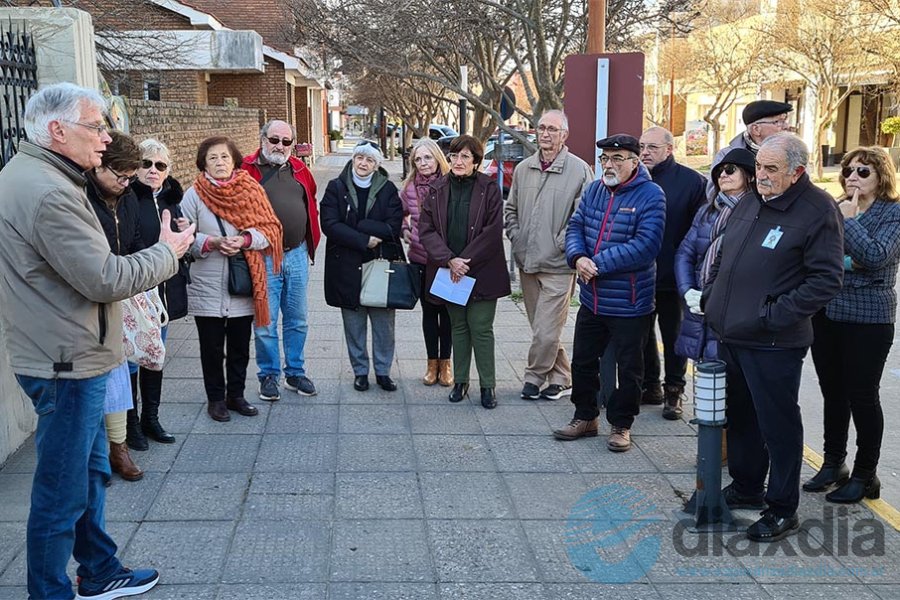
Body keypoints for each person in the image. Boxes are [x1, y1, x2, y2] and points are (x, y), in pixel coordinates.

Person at [0, 82, 195, 600]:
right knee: (61, 491)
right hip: (66, 359)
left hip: (71, 352)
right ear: (58, 130)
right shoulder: (46, 191)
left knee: (87, 472)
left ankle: (99, 569)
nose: (107, 138)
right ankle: (50, 591)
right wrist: (168, 250)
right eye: (97, 126)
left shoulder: (48, 176)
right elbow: (105, 277)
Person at [702, 133, 843, 542]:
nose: (759, 176)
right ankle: (747, 486)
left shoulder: (817, 209)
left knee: (777, 424)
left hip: (773, 340)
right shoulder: (751, 200)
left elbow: (826, 280)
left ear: (797, 171)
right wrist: (713, 296)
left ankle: (783, 507)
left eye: (770, 170)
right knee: (742, 417)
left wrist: (771, 316)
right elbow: (726, 254)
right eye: (758, 167)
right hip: (732, 333)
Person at [552, 134, 665, 451]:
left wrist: (596, 263)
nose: (609, 165)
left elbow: (646, 246)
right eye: (605, 159)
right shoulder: (594, 190)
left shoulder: (651, 195)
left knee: (630, 369)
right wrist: (578, 257)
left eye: (617, 158)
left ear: (634, 161)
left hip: (630, 302)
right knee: (583, 363)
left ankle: (621, 425)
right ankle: (585, 417)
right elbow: (575, 227)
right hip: (593, 298)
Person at [804, 146, 900, 503]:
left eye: (863, 172)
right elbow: (814, 254)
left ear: (881, 177)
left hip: (869, 318)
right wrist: (848, 261)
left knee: (862, 395)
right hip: (827, 314)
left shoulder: (892, 212)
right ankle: (833, 463)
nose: (853, 178)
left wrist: (848, 222)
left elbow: (876, 257)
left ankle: (865, 473)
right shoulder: (834, 204)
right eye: (848, 171)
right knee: (833, 392)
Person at [180, 136, 283, 422]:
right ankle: (216, 399)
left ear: (234, 160)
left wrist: (245, 239)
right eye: (213, 158)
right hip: (207, 283)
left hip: (243, 281)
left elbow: (270, 229)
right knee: (211, 347)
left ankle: (235, 395)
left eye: (224, 157)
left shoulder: (251, 189)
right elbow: (184, 237)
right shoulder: (193, 195)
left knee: (239, 344)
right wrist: (211, 242)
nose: (219, 162)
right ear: (204, 163)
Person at [504, 110, 593, 401]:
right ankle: (562, 376)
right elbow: (511, 209)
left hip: (558, 264)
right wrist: (516, 238)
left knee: (545, 330)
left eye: (553, 129)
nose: (545, 134)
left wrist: (562, 243)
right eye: (541, 128)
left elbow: (583, 216)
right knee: (544, 328)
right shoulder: (524, 168)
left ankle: (533, 377)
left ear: (564, 135)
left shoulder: (579, 170)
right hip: (527, 261)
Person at [419, 135, 511, 409]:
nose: (458, 161)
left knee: (481, 328)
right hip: (449, 271)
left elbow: (493, 231)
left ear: (476, 162)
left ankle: (487, 386)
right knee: (458, 327)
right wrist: (449, 260)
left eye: (465, 157)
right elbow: (426, 229)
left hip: (481, 269)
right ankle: (460, 381)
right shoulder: (437, 188)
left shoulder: (489, 188)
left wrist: (464, 261)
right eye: (454, 156)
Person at [241, 120, 320, 401]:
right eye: (274, 140)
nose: (280, 146)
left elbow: (310, 200)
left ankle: (295, 373)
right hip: (263, 257)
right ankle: (269, 376)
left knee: (297, 319)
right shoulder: (246, 170)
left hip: (296, 253)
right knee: (266, 321)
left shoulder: (300, 169)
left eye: (286, 142)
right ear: (262, 139)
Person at [85, 130, 147, 483]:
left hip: (124, 292)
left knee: (120, 375)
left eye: (129, 177)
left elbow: (136, 239)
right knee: (96, 380)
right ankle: (98, 455)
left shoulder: (129, 197)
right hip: (92, 297)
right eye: (119, 176)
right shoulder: (82, 198)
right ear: (99, 167)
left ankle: (118, 447)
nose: (124, 183)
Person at [320, 141, 404, 392]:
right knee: (354, 323)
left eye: (369, 160)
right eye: (359, 158)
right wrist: (363, 238)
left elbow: (393, 227)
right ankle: (360, 371)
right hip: (346, 265)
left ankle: (382, 371)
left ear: (376, 164)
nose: (363, 163)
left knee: (383, 324)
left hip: (380, 263)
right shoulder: (336, 187)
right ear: (353, 160)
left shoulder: (388, 189)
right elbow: (330, 224)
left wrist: (360, 225)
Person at [637, 126, 706, 418]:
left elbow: (700, 231)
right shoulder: (635, 179)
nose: (645, 152)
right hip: (638, 273)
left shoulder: (692, 182)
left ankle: (674, 391)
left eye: (652, 147)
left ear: (669, 149)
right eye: (642, 146)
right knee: (641, 334)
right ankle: (650, 385)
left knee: (674, 335)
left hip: (673, 276)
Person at [126, 138, 189, 451]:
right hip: (138, 294)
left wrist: (183, 238)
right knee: (133, 361)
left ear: (168, 171)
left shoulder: (170, 200)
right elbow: (129, 243)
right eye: (146, 163)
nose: (152, 170)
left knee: (155, 358)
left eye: (160, 165)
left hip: (163, 294)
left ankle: (151, 418)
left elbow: (179, 246)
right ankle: (130, 424)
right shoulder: (127, 198)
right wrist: (163, 252)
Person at [674, 148, 756, 364]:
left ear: (749, 175)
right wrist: (688, 291)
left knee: (730, 378)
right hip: (697, 304)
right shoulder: (708, 211)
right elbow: (685, 253)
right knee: (705, 377)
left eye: (730, 170)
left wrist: (713, 298)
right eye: (719, 171)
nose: (722, 175)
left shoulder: (758, 213)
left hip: (730, 310)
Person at [400, 138, 453, 386]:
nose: (423, 163)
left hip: (446, 260)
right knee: (429, 313)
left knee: (449, 314)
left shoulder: (452, 183)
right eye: (418, 159)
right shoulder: (410, 187)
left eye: (427, 158)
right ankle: (432, 364)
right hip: (420, 259)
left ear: (437, 158)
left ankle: (447, 364)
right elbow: (398, 213)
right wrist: (404, 229)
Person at [707, 99, 792, 198]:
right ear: (756, 129)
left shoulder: (793, 155)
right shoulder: (725, 156)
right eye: (778, 122)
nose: (786, 126)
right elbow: (712, 194)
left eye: (785, 121)